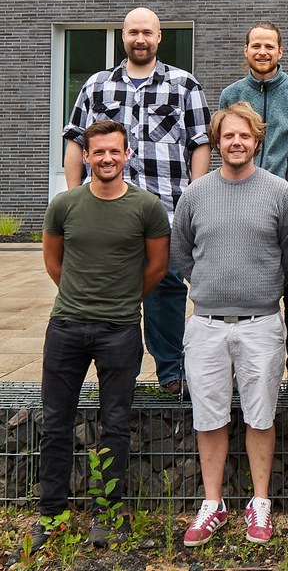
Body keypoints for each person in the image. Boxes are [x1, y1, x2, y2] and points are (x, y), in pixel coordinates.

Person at [12, 121, 169, 564]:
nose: (105, 159)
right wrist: (82, 297)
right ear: (85, 156)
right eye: (97, 152)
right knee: (56, 422)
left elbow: (157, 267)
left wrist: (120, 297)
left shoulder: (147, 207)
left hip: (120, 330)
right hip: (66, 328)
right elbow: (52, 260)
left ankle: (108, 512)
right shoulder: (64, 205)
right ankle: (52, 513)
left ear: (127, 154)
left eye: (113, 152)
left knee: (115, 424)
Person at [62, 7, 210, 395]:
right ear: (124, 36)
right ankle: (114, 375)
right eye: (133, 32)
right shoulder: (96, 86)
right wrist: (75, 195)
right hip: (106, 213)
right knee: (109, 289)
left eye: (148, 32)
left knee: (167, 288)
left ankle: (170, 372)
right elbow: (76, 141)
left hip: (167, 210)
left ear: (159, 36)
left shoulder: (184, 85)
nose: (140, 39)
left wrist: (195, 198)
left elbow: (199, 144)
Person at [172, 103, 288, 547]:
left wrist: (260, 290)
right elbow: (181, 253)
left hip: (261, 323)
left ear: (257, 141)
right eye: (228, 136)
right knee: (209, 416)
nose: (236, 143)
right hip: (205, 324)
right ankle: (213, 504)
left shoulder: (280, 192)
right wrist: (211, 286)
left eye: (245, 136)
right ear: (217, 142)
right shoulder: (196, 194)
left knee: (261, 415)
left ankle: (259, 503)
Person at [219, 21, 288, 394]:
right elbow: (224, 137)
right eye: (256, 46)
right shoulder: (231, 93)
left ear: (281, 52)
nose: (263, 52)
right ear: (245, 51)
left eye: (269, 46)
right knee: (246, 279)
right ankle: (239, 357)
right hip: (241, 200)